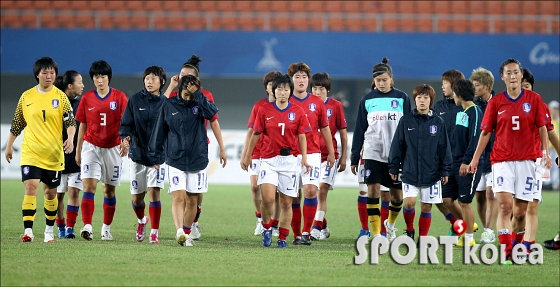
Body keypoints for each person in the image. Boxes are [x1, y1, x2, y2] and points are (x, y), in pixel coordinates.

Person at [468, 58, 552, 264]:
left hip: (528, 162)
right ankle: (507, 253)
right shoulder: (496, 103)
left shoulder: (534, 99)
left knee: (520, 212)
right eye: (509, 73)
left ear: (521, 75)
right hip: (502, 161)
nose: (513, 76)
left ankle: (517, 246)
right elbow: (486, 132)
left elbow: (543, 127)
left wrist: (546, 152)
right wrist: (476, 158)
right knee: (505, 207)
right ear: (502, 77)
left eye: (516, 72)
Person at [4, 57, 76, 242]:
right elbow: (17, 123)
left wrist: (70, 138)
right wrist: (9, 145)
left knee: (50, 193)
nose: (49, 76)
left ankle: (49, 231)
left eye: (52, 72)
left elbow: (70, 121)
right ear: (37, 75)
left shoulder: (60, 97)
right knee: (30, 187)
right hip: (31, 152)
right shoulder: (26, 96)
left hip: (53, 153)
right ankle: (28, 231)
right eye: (45, 72)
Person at [241, 74, 312, 248]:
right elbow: (255, 134)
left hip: (289, 162)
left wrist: (304, 158)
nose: (282, 92)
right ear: (274, 91)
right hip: (268, 160)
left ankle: (282, 237)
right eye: (279, 89)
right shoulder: (264, 110)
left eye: (286, 89)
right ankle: (266, 228)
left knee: (287, 202)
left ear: (290, 92)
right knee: (267, 199)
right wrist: (248, 155)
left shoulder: (298, 111)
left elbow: (302, 136)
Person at [149, 75, 218, 247]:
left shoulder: (200, 104)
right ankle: (179, 231)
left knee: (193, 200)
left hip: (197, 159)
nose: (189, 92)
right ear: (180, 88)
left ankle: (186, 233)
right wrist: (155, 154)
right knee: (178, 197)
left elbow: (212, 113)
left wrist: (199, 94)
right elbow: (159, 130)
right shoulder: (169, 104)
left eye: (192, 89)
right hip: (175, 158)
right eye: (186, 90)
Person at [164, 55, 227, 240]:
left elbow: (214, 121)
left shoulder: (205, 95)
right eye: (181, 74)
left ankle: (193, 222)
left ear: (196, 79)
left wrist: (222, 148)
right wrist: (170, 86)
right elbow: (160, 108)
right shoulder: (174, 96)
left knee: (195, 196)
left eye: (187, 76)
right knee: (180, 195)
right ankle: (183, 230)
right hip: (178, 150)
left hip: (199, 148)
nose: (183, 78)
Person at [350, 57, 411, 242]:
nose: (382, 83)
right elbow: (360, 129)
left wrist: (409, 153)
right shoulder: (367, 100)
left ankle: (390, 225)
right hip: (372, 151)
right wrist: (354, 157)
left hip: (396, 154)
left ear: (391, 79)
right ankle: (376, 233)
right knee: (373, 190)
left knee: (397, 197)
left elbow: (409, 127)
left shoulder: (402, 98)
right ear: (374, 81)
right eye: (378, 81)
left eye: (385, 80)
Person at [388, 84, 452, 241]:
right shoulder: (406, 121)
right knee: (409, 203)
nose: (422, 100)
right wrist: (394, 167)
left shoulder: (438, 122)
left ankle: (423, 239)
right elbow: (397, 145)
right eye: (419, 97)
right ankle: (410, 230)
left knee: (426, 206)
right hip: (410, 171)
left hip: (432, 172)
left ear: (431, 101)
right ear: (414, 100)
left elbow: (444, 147)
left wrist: (445, 170)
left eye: (426, 98)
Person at [75, 60, 128, 241]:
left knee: (109, 191)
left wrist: (126, 140)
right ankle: (87, 226)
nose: (100, 80)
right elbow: (82, 124)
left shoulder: (119, 97)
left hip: (113, 148)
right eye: (96, 77)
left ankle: (106, 228)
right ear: (93, 78)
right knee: (89, 187)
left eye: (103, 76)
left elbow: (127, 123)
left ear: (108, 78)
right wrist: (78, 149)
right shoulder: (87, 98)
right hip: (91, 147)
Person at [287, 62, 335, 245]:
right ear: (291, 80)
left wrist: (330, 152)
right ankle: (296, 234)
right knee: (293, 196)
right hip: (290, 155)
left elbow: (325, 128)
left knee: (310, 191)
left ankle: (307, 233)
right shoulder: (286, 100)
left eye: (304, 77)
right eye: (297, 77)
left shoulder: (317, 102)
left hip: (313, 153)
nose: (301, 80)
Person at [119, 66, 167, 244]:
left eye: (154, 78)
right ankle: (142, 221)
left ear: (162, 82)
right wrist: (125, 139)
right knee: (137, 199)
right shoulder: (135, 100)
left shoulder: (165, 103)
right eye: (147, 78)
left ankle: (154, 232)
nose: (149, 81)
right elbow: (126, 125)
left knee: (154, 193)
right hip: (137, 155)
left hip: (157, 158)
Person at [518, 68, 559, 255]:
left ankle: (527, 246)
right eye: (521, 86)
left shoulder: (539, 105)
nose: (524, 90)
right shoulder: (505, 105)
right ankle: (515, 241)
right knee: (516, 209)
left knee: (532, 206)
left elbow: (550, 131)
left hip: (537, 159)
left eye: (527, 86)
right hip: (512, 161)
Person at [241, 71, 283, 236]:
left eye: (276, 83)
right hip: (258, 152)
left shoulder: (286, 106)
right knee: (255, 186)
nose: (273, 86)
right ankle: (260, 219)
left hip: (276, 154)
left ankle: (274, 224)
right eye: (270, 84)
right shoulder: (259, 106)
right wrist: (246, 154)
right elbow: (251, 131)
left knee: (277, 192)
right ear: (266, 87)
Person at [309, 72, 348, 241]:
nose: (318, 92)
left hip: (329, 156)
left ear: (328, 90)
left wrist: (344, 156)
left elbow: (343, 133)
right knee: (312, 192)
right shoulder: (306, 105)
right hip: (311, 156)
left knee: (321, 191)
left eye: (321, 89)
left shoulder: (335, 106)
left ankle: (316, 228)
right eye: (315, 89)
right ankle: (322, 224)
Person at [432, 70, 471, 236]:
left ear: (454, 85)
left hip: (461, 160)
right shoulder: (438, 106)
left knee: (464, 201)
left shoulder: (464, 107)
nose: (442, 86)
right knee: (443, 199)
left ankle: (466, 230)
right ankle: (462, 224)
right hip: (443, 161)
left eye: (445, 83)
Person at [448, 79, 483, 247]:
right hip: (454, 162)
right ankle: (468, 228)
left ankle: (468, 238)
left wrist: (466, 161)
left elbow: (475, 139)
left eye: (454, 93)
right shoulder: (461, 113)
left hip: (467, 164)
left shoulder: (475, 112)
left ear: (460, 95)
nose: (453, 96)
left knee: (465, 202)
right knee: (446, 199)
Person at [53, 70, 84, 239]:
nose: (83, 85)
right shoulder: (54, 102)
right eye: (80, 82)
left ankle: (70, 228)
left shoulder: (82, 103)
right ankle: (61, 226)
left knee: (74, 192)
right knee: (57, 195)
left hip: (77, 155)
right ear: (69, 85)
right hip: (57, 154)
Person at [470, 67, 498, 244]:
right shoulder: (474, 106)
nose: (474, 88)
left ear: (487, 86)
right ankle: (486, 227)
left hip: (496, 156)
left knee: (491, 194)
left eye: (477, 85)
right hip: (479, 156)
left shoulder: (499, 103)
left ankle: (488, 230)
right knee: (479, 196)